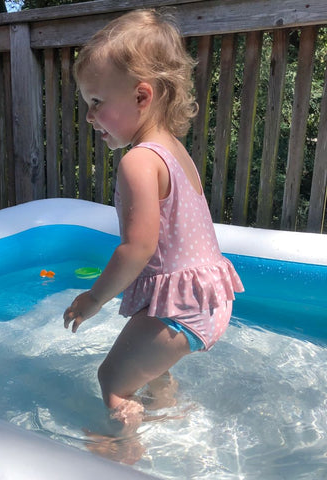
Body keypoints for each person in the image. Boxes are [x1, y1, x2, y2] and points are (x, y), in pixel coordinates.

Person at [63, 9, 244, 430]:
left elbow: (138, 248)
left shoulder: (139, 162)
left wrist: (93, 300)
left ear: (142, 97)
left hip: (179, 309)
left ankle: (121, 453)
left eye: (96, 102)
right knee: (151, 367)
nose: (89, 117)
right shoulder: (175, 151)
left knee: (112, 378)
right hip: (207, 300)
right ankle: (169, 417)